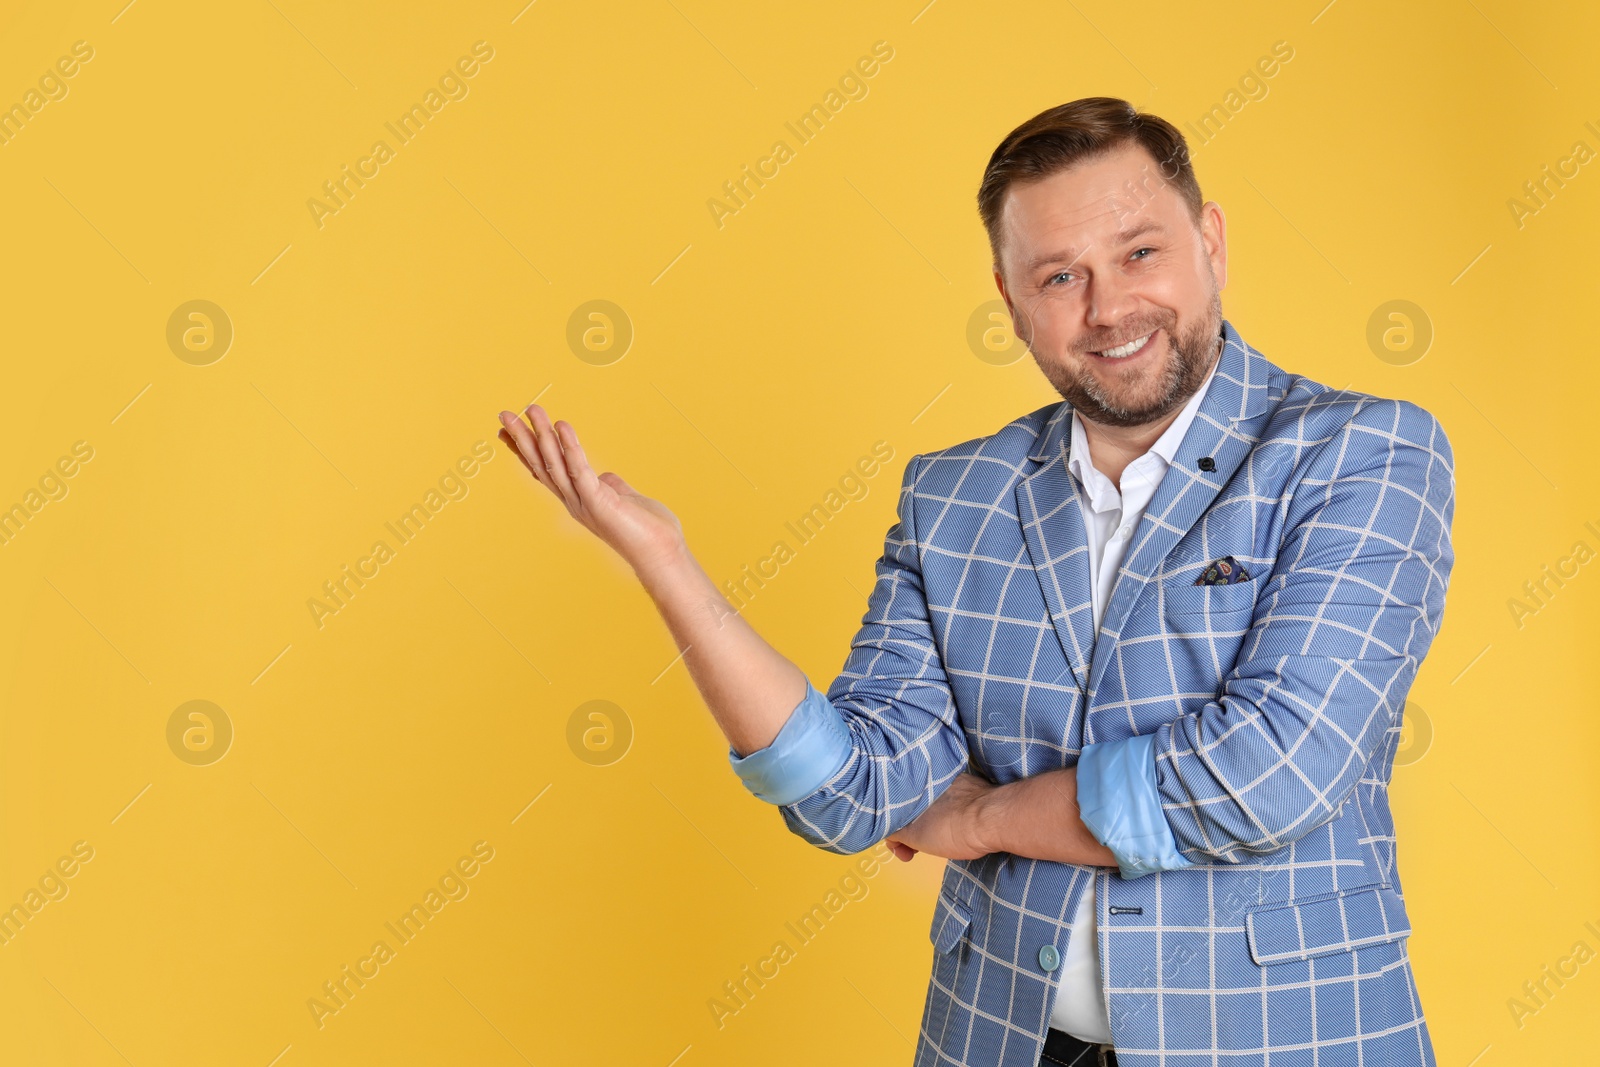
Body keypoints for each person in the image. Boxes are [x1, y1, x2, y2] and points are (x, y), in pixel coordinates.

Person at [497, 97, 1454, 1067]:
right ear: (1009, 299)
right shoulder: (952, 495)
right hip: (998, 1039)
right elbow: (855, 791)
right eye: (1059, 275)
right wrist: (666, 562)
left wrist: (985, 815)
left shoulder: (1361, 453)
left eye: (1138, 253)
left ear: (1207, 241)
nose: (1107, 306)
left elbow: (1271, 771)